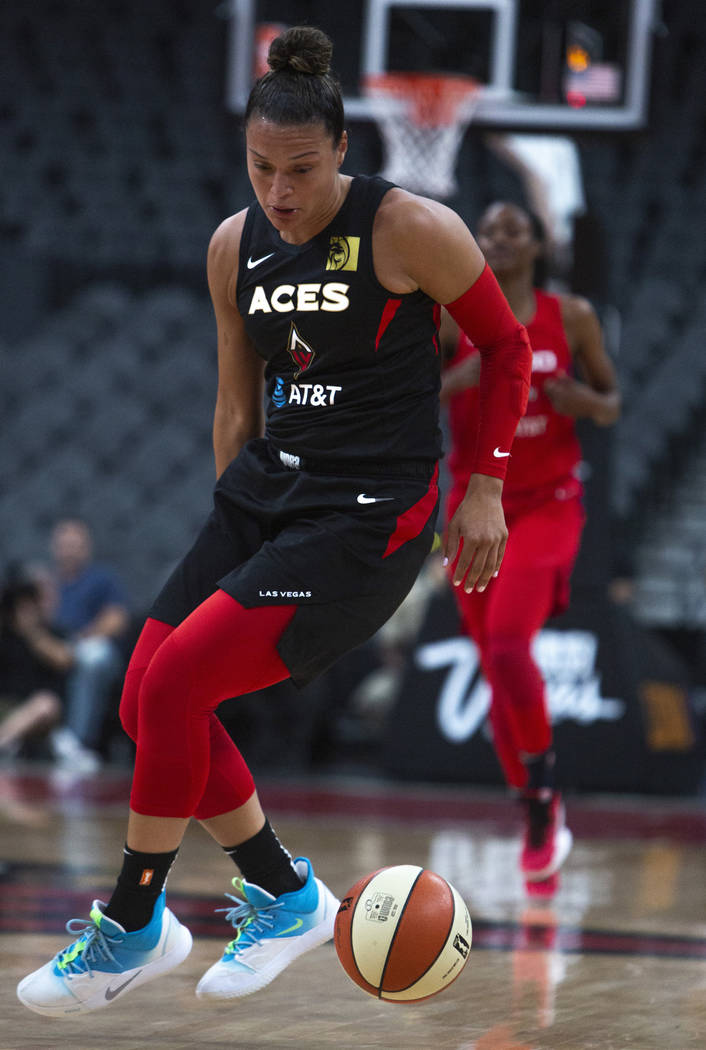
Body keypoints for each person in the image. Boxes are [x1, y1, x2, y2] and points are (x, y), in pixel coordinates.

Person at [17, 27, 532, 1017]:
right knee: (143, 703)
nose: (279, 191)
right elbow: (235, 402)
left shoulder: (409, 227)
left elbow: (506, 352)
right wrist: (230, 518)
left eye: (299, 169)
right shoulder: (230, 245)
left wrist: (485, 486)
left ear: (341, 149)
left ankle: (132, 923)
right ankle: (288, 896)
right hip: (265, 498)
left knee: (172, 689)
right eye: (261, 168)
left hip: (366, 518)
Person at [440, 200, 621, 896]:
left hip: (547, 506)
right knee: (494, 669)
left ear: (539, 244)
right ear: (474, 243)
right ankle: (536, 812)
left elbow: (612, 402)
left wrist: (586, 401)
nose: (500, 238)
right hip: (471, 506)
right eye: (488, 230)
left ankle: (544, 791)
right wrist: (455, 382)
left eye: (514, 229)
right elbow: (408, 395)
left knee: (511, 645)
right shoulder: (452, 316)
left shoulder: (570, 315)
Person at [48, 517, 131, 766]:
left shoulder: (101, 580)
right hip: (56, 650)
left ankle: (77, 742)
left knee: (91, 656)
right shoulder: (47, 584)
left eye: (76, 544)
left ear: (86, 548)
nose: (70, 550)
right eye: (65, 544)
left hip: (95, 650)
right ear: (55, 547)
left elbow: (117, 619)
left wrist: (81, 641)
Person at [0, 567, 74, 760]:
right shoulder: (6, 633)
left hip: (37, 712)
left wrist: (31, 631)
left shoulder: (54, 632)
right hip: (6, 705)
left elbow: (64, 660)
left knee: (46, 704)